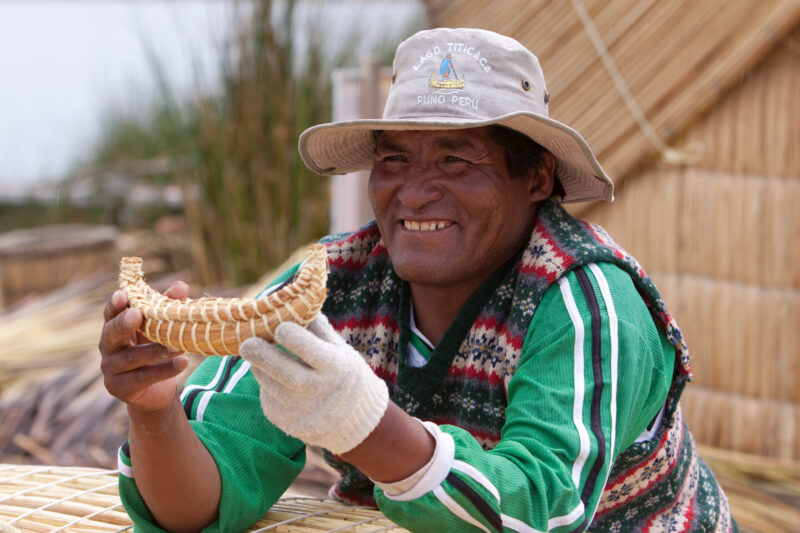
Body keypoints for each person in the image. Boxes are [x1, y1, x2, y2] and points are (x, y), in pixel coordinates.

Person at [100, 28, 736, 532]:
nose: (415, 192)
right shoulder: (334, 284)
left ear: (537, 177)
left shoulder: (588, 303)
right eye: (393, 159)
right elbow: (200, 507)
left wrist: (365, 425)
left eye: (457, 160)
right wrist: (153, 412)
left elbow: (541, 509)